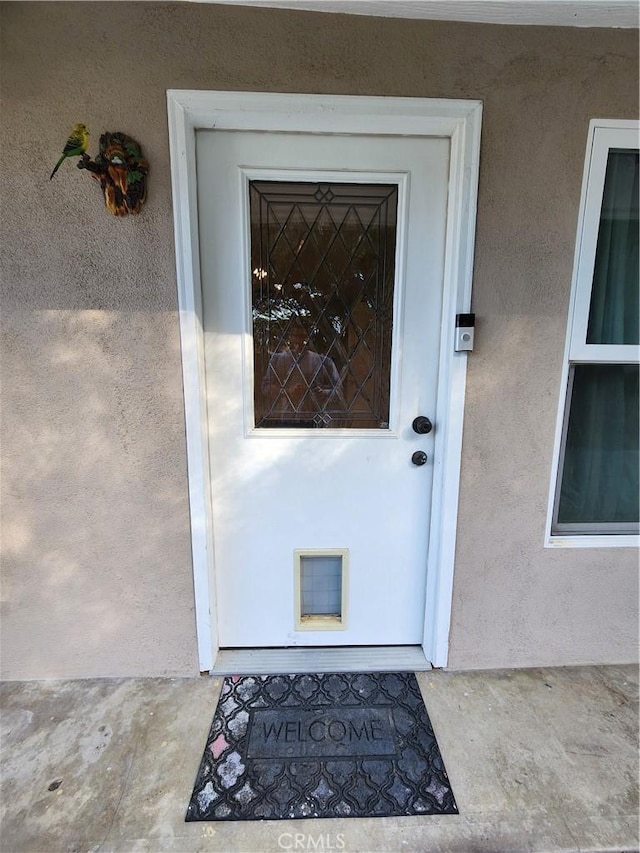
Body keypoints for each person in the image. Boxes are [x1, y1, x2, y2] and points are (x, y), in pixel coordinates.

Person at [260, 320, 346, 427]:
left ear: (308, 338)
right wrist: (286, 391)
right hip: (285, 420)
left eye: (303, 336)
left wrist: (323, 393)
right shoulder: (278, 360)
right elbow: (265, 388)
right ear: (289, 337)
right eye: (295, 336)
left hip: (315, 419)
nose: (299, 340)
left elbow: (339, 391)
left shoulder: (323, 361)